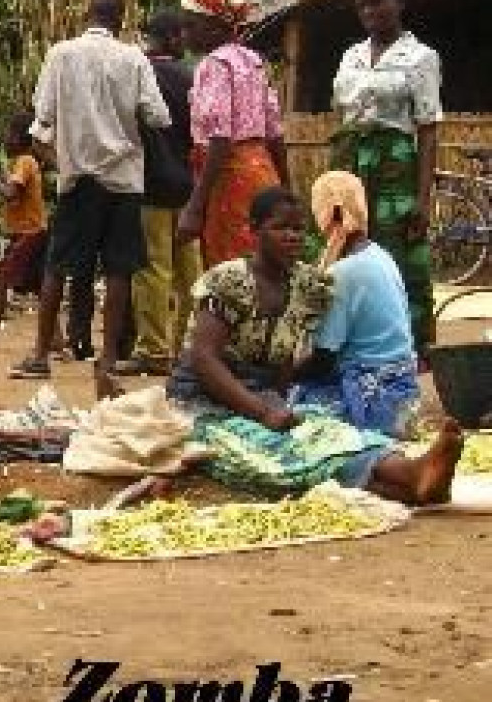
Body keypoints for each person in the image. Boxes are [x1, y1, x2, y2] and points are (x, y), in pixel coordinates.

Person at [167, 186, 460, 506]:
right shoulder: (229, 281)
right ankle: (409, 478)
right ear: (254, 229)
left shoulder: (307, 286)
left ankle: (414, 480)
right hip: (202, 405)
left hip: (261, 397)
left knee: (327, 432)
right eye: (281, 228)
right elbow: (204, 359)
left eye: (299, 229)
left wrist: (277, 403)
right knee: (267, 453)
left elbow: (284, 361)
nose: (292, 236)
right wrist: (261, 411)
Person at [13, 0, 171, 400]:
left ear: (88, 15)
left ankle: (39, 354)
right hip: (124, 178)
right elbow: (157, 116)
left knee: (58, 265)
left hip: (78, 178)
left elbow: (40, 122)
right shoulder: (134, 58)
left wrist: (63, 157)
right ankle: (107, 361)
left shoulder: (61, 54)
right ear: (122, 18)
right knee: (119, 270)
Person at [330, 0, 441, 353]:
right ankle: (354, 338)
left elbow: (427, 129)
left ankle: (412, 343)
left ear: (399, 4)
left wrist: (423, 200)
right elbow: (341, 112)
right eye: (362, 4)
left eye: (376, 2)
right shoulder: (351, 55)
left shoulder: (421, 57)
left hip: (395, 162)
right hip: (347, 158)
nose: (368, 11)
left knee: (398, 249)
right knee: (344, 243)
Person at [292, 172, 420, 435]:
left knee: (289, 407)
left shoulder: (343, 273)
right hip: (403, 386)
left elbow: (324, 359)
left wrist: (279, 375)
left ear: (330, 212)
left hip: (376, 395)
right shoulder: (380, 254)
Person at [177, 0, 288, 268]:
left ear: (215, 28)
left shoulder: (214, 65)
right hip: (263, 174)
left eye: (191, 26)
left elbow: (220, 138)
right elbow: (275, 132)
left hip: (229, 179)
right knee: (262, 263)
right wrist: (285, 190)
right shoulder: (253, 61)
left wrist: (196, 205)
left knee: (231, 270)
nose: (184, 34)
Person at [119, 9, 202, 377]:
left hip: (149, 182)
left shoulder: (137, 73)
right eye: (182, 35)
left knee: (153, 268)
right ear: (170, 38)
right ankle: (189, 346)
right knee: (190, 271)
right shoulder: (190, 78)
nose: (186, 42)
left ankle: (154, 349)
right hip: (186, 185)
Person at [0, 113, 48, 353]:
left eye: (10, 134)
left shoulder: (25, 162)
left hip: (28, 234)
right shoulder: (23, 162)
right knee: (39, 285)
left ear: (21, 139)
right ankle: (56, 341)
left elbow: (11, 193)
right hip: (32, 232)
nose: (6, 139)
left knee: (1, 282)